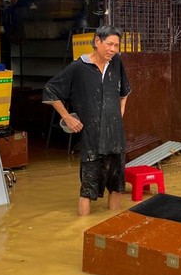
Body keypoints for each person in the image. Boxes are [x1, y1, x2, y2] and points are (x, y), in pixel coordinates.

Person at [43, 26, 132, 216]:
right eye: (109, 44)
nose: (113, 49)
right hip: (91, 139)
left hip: (116, 137)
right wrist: (67, 117)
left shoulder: (116, 62)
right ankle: (83, 228)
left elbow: (125, 91)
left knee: (117, 187)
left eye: (116, 45)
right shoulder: (78, 67)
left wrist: (120, 110)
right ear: (97, 41)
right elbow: (50, 90)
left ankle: (113, 223)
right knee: (87, 190)